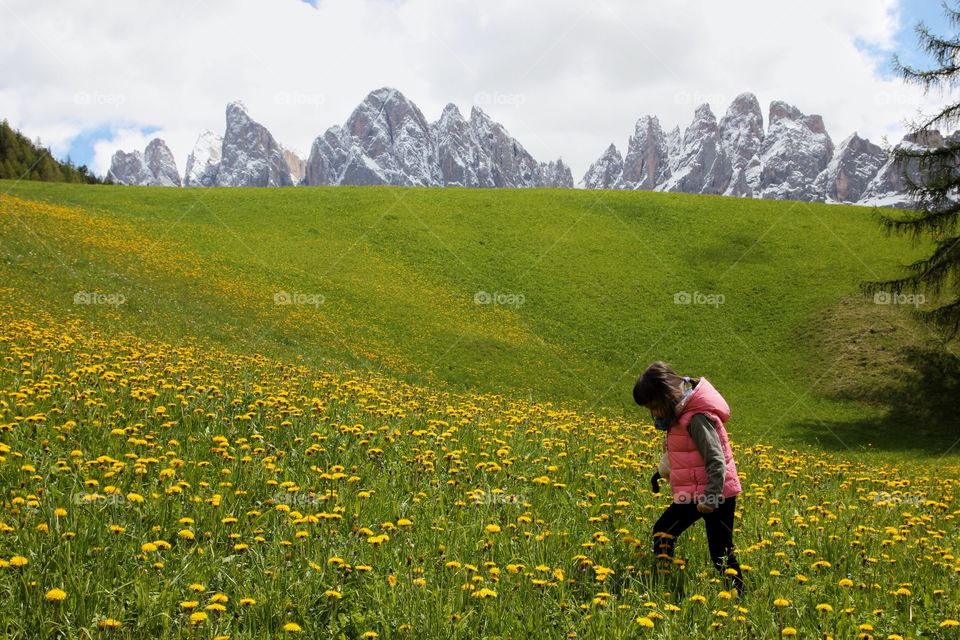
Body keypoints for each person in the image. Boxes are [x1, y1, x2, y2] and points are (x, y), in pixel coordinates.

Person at [633, 361, 745, 595]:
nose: (652, 413)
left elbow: (716, 460)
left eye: (653, 406)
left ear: (666, 396)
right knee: (663, 530)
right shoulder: (679, 416)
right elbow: (683, 454)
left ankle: (740, 594)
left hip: (716, 494)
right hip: (693, 493)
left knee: (720, 552)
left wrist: (711, 497)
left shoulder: (696, 418)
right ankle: (663, 581)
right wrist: (661, 473)